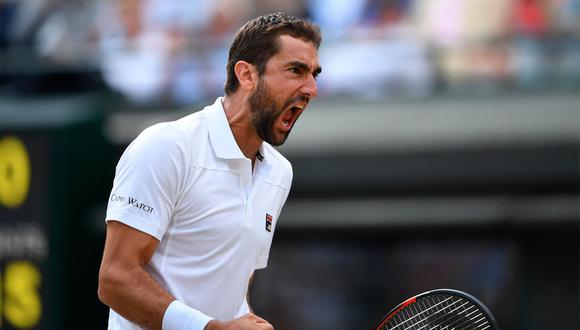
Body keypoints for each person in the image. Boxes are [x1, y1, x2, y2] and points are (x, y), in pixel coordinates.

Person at [97, 12, 322, 330]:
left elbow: (232, 287)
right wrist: (212, 328)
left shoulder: (279, 173)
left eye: (314, 74)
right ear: (246, 75)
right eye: (296, 70)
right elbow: (115, 279)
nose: (311, 88)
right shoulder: (166, 146)